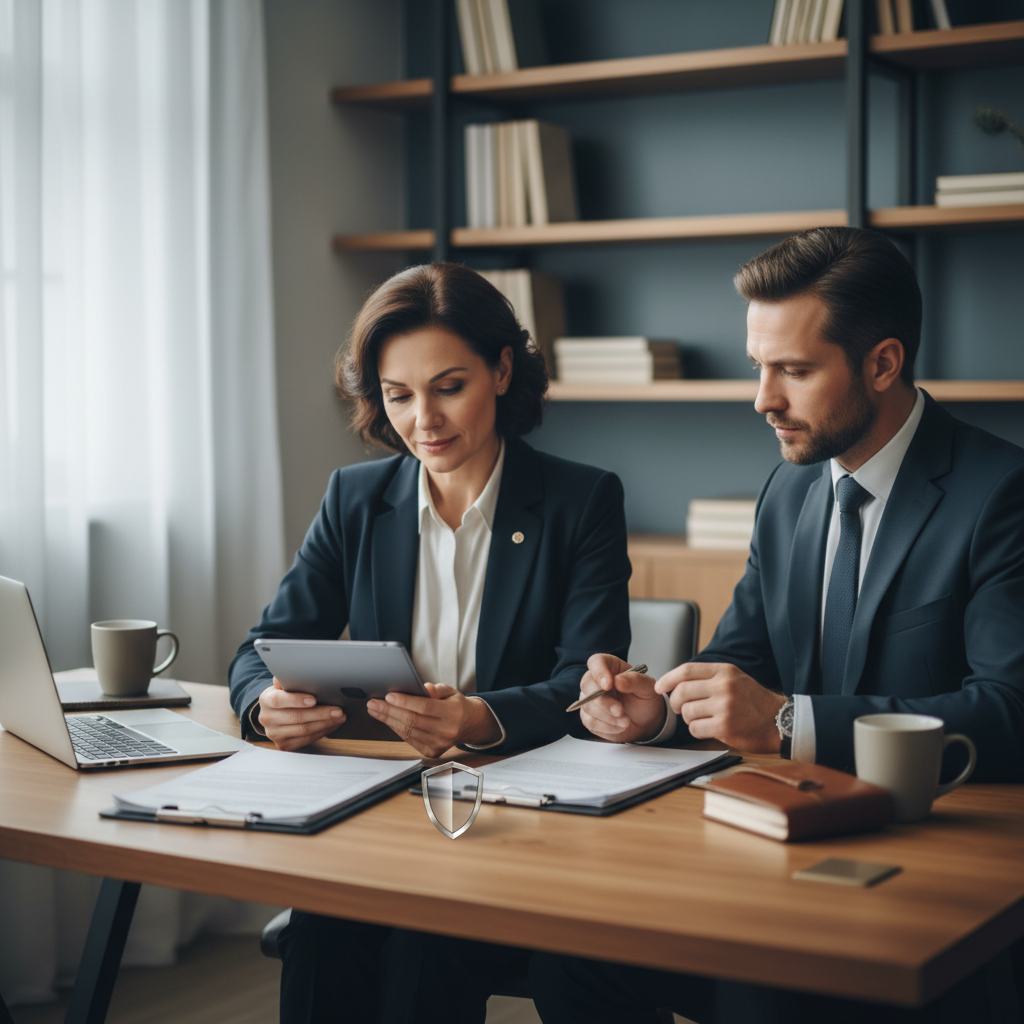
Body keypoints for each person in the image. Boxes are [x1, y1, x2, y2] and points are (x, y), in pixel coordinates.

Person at [530, 226, 1024, 1024]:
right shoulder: (787, 493)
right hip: (777, 839)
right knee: (573, 959)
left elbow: (1011, 712)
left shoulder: (1002, 494)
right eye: (759, 366)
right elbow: (741, 658)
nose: (762, 399)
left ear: (884, 362)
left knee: (767, 992)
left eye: (794, 370)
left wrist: (788, 720)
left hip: (921, 868)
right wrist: (661, 706)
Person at [227, 262, 631, 1024]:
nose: (424, 420)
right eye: (398, 395)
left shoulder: (582, 501)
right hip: (377, 813)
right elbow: (260, 648)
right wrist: (262, 708)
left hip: (511, 816)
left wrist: (479, 718)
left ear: (503, 370)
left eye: (449, 386)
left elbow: (589, 682)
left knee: (422, 950)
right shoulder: (356, 499)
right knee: (321, 937)